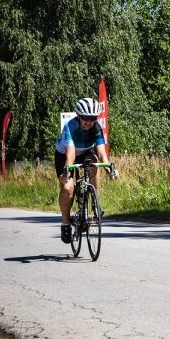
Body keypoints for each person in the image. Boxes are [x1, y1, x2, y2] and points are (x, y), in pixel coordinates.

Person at [55, 98, 118, 244]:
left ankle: (95, 202)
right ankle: (65, 223)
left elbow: (102, 153)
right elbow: (70, 153)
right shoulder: (70, 127)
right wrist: (67, 171)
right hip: (65, 155)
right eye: (85, 118)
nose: (89, 122)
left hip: (85, 152)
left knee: (95, 161)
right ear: (78, 116)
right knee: (67, 188)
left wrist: (109, 168)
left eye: (93, 118)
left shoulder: (96, 128)